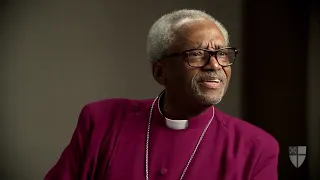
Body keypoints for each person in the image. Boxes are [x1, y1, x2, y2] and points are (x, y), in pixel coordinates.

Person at [45, 9, 279, 180]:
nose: (215, 65)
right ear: (160, 71)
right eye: (197, 54)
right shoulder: (102, 121)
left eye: (222, 53)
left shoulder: (257, 147)